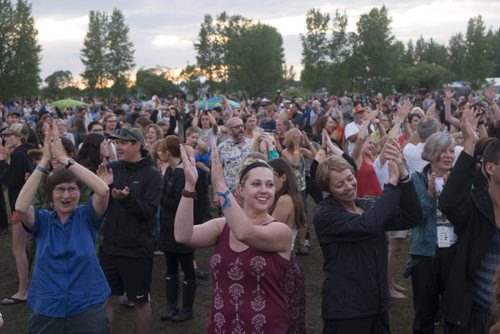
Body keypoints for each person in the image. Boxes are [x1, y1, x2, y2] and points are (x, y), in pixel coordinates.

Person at [174, 145, 292, 333]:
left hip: (266, 328)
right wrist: (189, 186)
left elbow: (245, 233)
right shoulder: (222, 226)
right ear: (240, 191)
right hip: (222, 326)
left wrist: (220, 185)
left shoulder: (280, 231)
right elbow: (183, 235)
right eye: (256, 184)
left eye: (270, 184)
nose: (265, 190)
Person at [313, 139, 423, 334]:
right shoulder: (325, 214)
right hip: (347, 311)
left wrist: (403, 174)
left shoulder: (365, 205)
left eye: (349, 178)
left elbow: (411, 216)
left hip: (377, 305)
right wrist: (391, 183)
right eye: (339, 184)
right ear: (328, 189)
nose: (348, 186)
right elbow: (369, 225)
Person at [15, 125, 111, 333]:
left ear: (78, 192)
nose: (66, 196)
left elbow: (103, 190)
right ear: (51, 195)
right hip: (48, 307)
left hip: (86, 305)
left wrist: (65, 159)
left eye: (72, 189)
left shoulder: (87, 216)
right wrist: (44, 161)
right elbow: (21, 207)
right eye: (60, 190)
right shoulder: (41, 222)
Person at [439, 105, 500, 332]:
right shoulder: (476, 205)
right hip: (476, 311)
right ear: (490, 168)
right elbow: (449, 202)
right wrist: (470, 142)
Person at [99, 127, 163, 334]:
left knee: (140, 300)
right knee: (104, 297)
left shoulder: (152, 174)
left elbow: (149, 213)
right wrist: (102, 188)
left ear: (137, 145)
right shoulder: (113, 167)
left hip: (137, 249)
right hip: (110, 246)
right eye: (116, 143)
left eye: (123, 143)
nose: (118, 147)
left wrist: (127, 200)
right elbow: (100, 205)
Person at [409, 132, 457, 333]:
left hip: (453, 250)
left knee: (454, 310)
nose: (448, 155)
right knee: (424, 311)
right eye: (443, 150)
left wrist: (451, 198)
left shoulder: (460, 179)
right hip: (425, 252)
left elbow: (466, 216)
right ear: (431, 153)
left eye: (451, 150)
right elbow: (415, 217)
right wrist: (430, 196)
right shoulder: (417, 179)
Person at [157, 136, 197, 322]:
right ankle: (171, 306)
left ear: (169, 152)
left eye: (162, 149)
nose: (159, 153)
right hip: (168, 229)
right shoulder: (170, 172)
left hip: (181, 229)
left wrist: (158, 195)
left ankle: (187, 309)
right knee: (171, 268)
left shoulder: (181, 174)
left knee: (188, 269)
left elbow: (177, 203)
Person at [268, 158, 307, 334]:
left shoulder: (285, 200)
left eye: (272, 176)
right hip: (286, 262)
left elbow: (268, 231)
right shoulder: (287, 197)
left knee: (282, 318)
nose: (268, 181)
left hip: (281, 264)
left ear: (283, 177)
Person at [0, 123, 35, 306]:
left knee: (18, 248)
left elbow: (7, 181)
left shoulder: (19, 154)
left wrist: (2, 159)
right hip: (30, 204)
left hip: (21, 206)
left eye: (9, 135)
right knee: (26, 246)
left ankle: (23, 291)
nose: (5, 138)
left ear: (19, 136)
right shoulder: (29, 150)